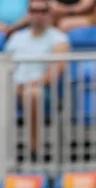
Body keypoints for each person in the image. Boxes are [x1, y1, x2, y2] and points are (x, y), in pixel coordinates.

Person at [4, 0, 68, 159]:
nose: (38, 15)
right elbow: (5, 66)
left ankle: (34, 149)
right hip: (13, 87)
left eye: (43, 11)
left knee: (32, 94)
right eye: (34, 11)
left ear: (49, 13)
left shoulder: (59, 38)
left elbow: (57, 69)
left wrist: (35, 83)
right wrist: (15, 85)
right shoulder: (16, 38)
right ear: (28, 14)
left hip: (44, 90)